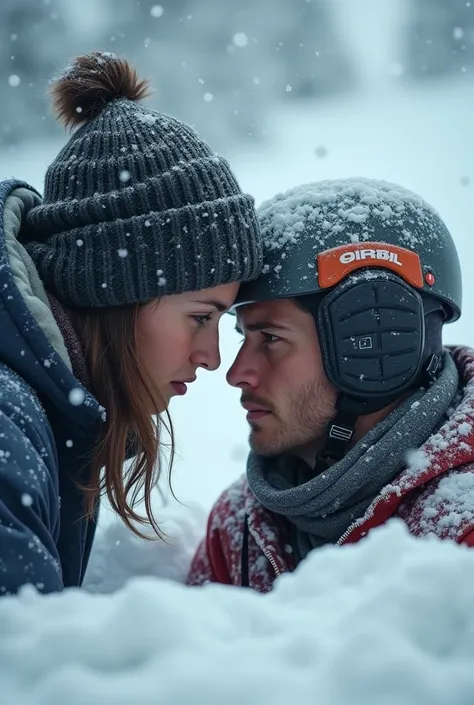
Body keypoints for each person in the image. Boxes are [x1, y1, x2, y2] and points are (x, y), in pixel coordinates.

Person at [0, 51, 262, 596]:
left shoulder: (57, 407)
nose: (212, 357)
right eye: (199, 317)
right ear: (112, 291)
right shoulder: (9, 422)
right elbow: (23, 665)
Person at [187, 177, 474, 593]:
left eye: (270, 338)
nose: (236, 373)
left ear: (375, 346)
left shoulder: (456, 541)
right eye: (242, 337)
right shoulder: (241, 527)